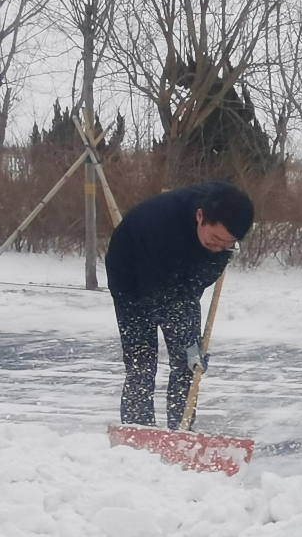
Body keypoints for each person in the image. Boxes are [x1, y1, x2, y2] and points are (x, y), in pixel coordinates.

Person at [105, 180, 254, 429]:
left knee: (188, 362)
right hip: (131, 276)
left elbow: (197, 281)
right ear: (200, 217)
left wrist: (188, 344)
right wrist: (184, 333)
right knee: (141, 360)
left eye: (226, 244)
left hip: (179, 280)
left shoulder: (225, 225)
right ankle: (138, 429)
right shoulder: (160, 225)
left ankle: (182, 429)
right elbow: (157, 294)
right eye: (215, 239)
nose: (218, 248)